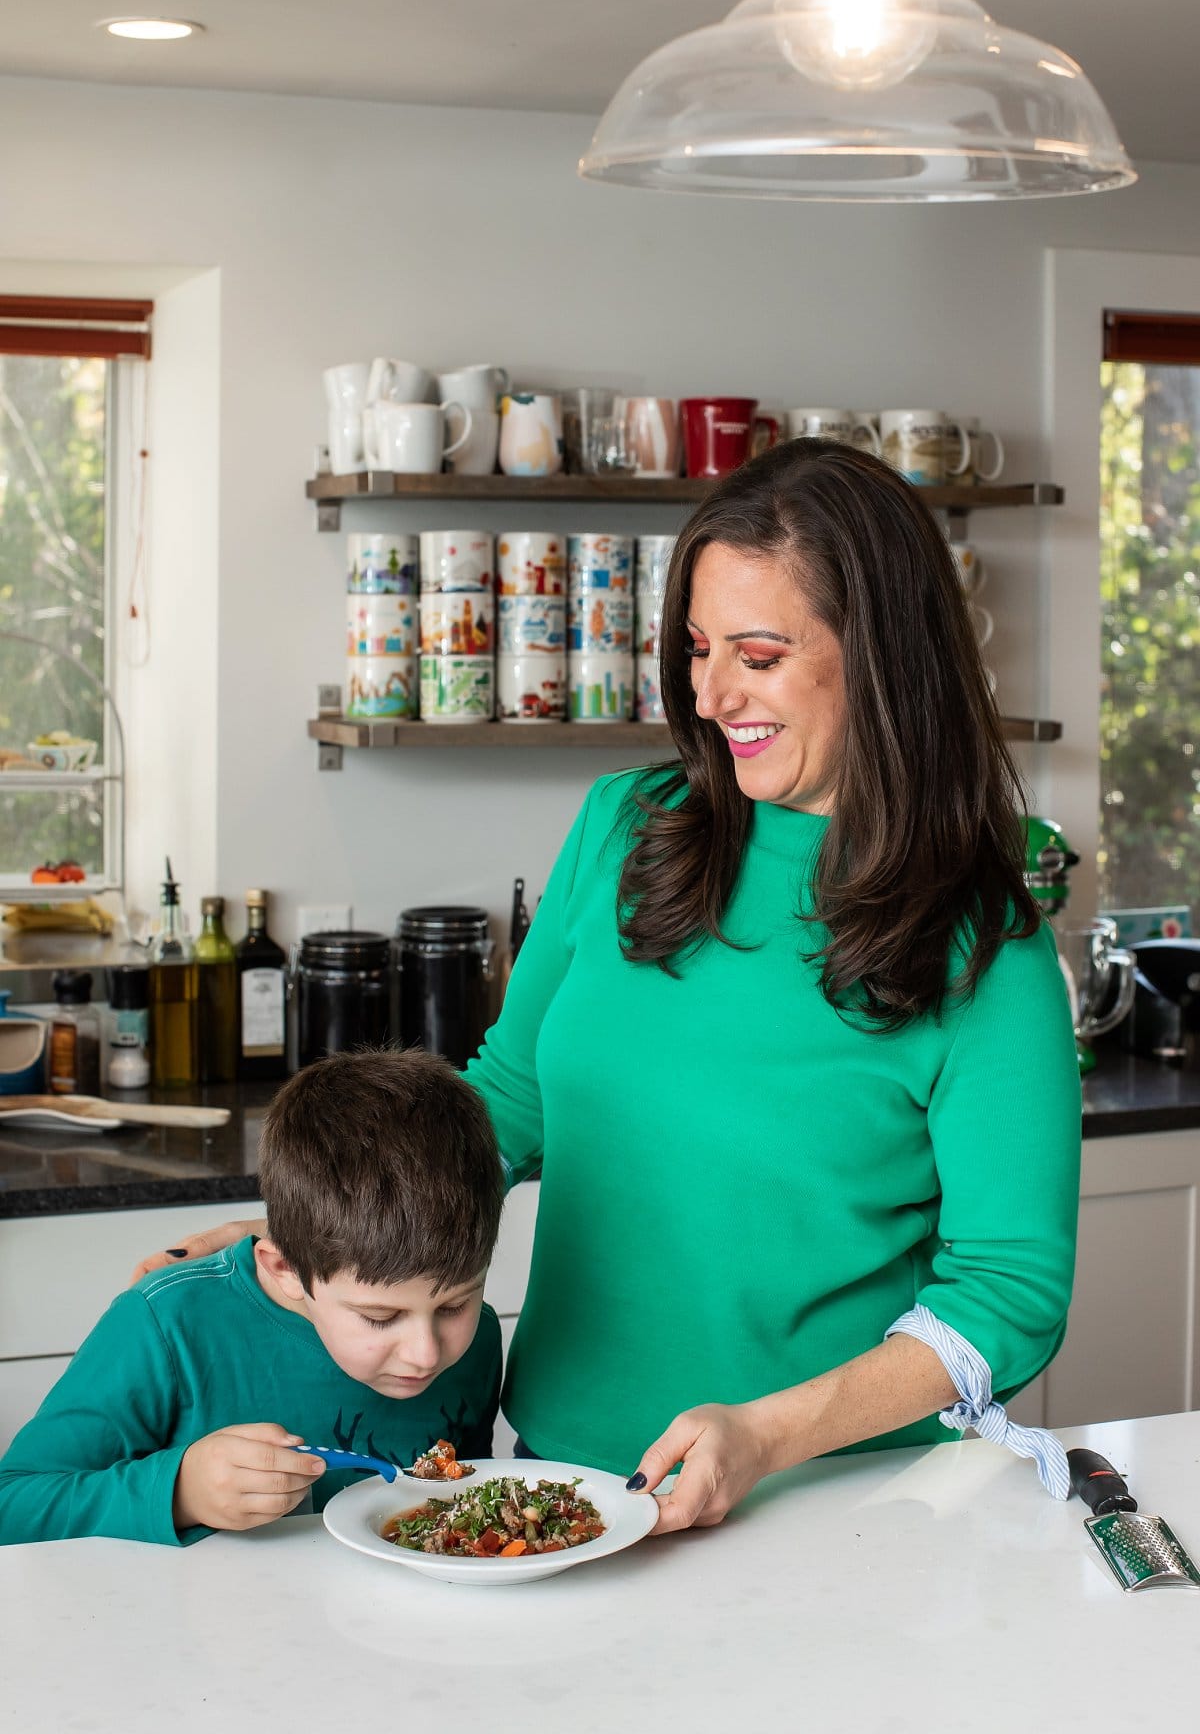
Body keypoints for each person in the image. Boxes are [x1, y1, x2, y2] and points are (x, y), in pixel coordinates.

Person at [132, 438, 1081, 1537]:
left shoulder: (983, 945)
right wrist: (318, 1232)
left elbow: (1008, 1291)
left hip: (835, 1501)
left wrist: (767, 1431)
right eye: (696, 648)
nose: (714, 693)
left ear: (881, 656)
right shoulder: (630, 826)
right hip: (561, 1470)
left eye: (760, 655)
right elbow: (513, 1099)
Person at [0, 1047, 504, 1546]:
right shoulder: (167, 1325)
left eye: (454, 1305)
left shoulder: (475, 1339)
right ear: (285, 1268)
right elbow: (13, 1505)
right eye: (379, 1316)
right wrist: (180, 1493)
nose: (427, 1353)